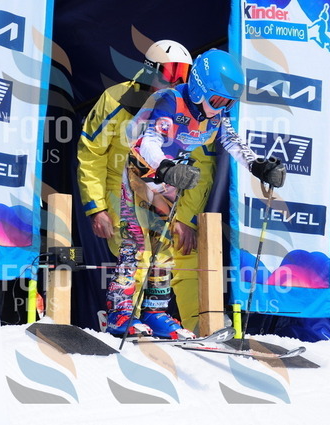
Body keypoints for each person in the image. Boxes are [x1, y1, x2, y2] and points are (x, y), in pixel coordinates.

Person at [106, 48, 286, 339]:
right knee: (136, 245)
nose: (220, 108)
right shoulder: (170, 100)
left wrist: (257, 165)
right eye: (217, 100)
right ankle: (120, 312)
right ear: (200, 88)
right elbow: (149, 140)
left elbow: (232, 141)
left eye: (228, 102)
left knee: (164, 248)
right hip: (141, 174)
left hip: (169, 181)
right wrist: (165, 166)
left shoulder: (216, 115)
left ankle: (155, 311)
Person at [77, 40, 215, 333]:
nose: (176, 82)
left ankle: (185, 325)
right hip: (121, 190)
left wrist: (185, 218)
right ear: (149, 70)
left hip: (165, 197)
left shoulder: (190, 109)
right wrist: (96, 207)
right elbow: (91, 153)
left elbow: (201, 167)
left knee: (177, 256)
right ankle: (123, 315)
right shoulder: (117, 99)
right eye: (170, 73)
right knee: (137, 250)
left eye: (184, 75)